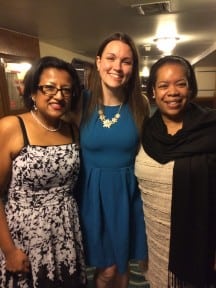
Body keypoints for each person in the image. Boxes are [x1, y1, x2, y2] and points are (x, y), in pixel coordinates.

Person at [0, 56, 87, 288]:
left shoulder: (72, 130)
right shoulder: (11, 126)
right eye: (49, 87)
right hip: (25, 238)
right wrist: (9, 250)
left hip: (67, 233)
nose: (58, 95)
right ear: (32, 91)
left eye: (66, 90)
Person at [135, 55, 216, 287]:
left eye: (180, 83)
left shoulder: (210, 129)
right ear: (152, 91)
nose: (173, 91)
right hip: (155, 240)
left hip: (198, 243)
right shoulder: (147, 131)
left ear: (190, 88)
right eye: (163, 85)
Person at [78, 32, 149, 288]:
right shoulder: (81, 103)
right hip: (91, 197)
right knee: (106, 270)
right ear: (98, 62)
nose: (117, 67)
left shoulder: (140, 105)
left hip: (127, 198)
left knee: (122, 268)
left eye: (126, 61)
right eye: (111, 58)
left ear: (133, 68)